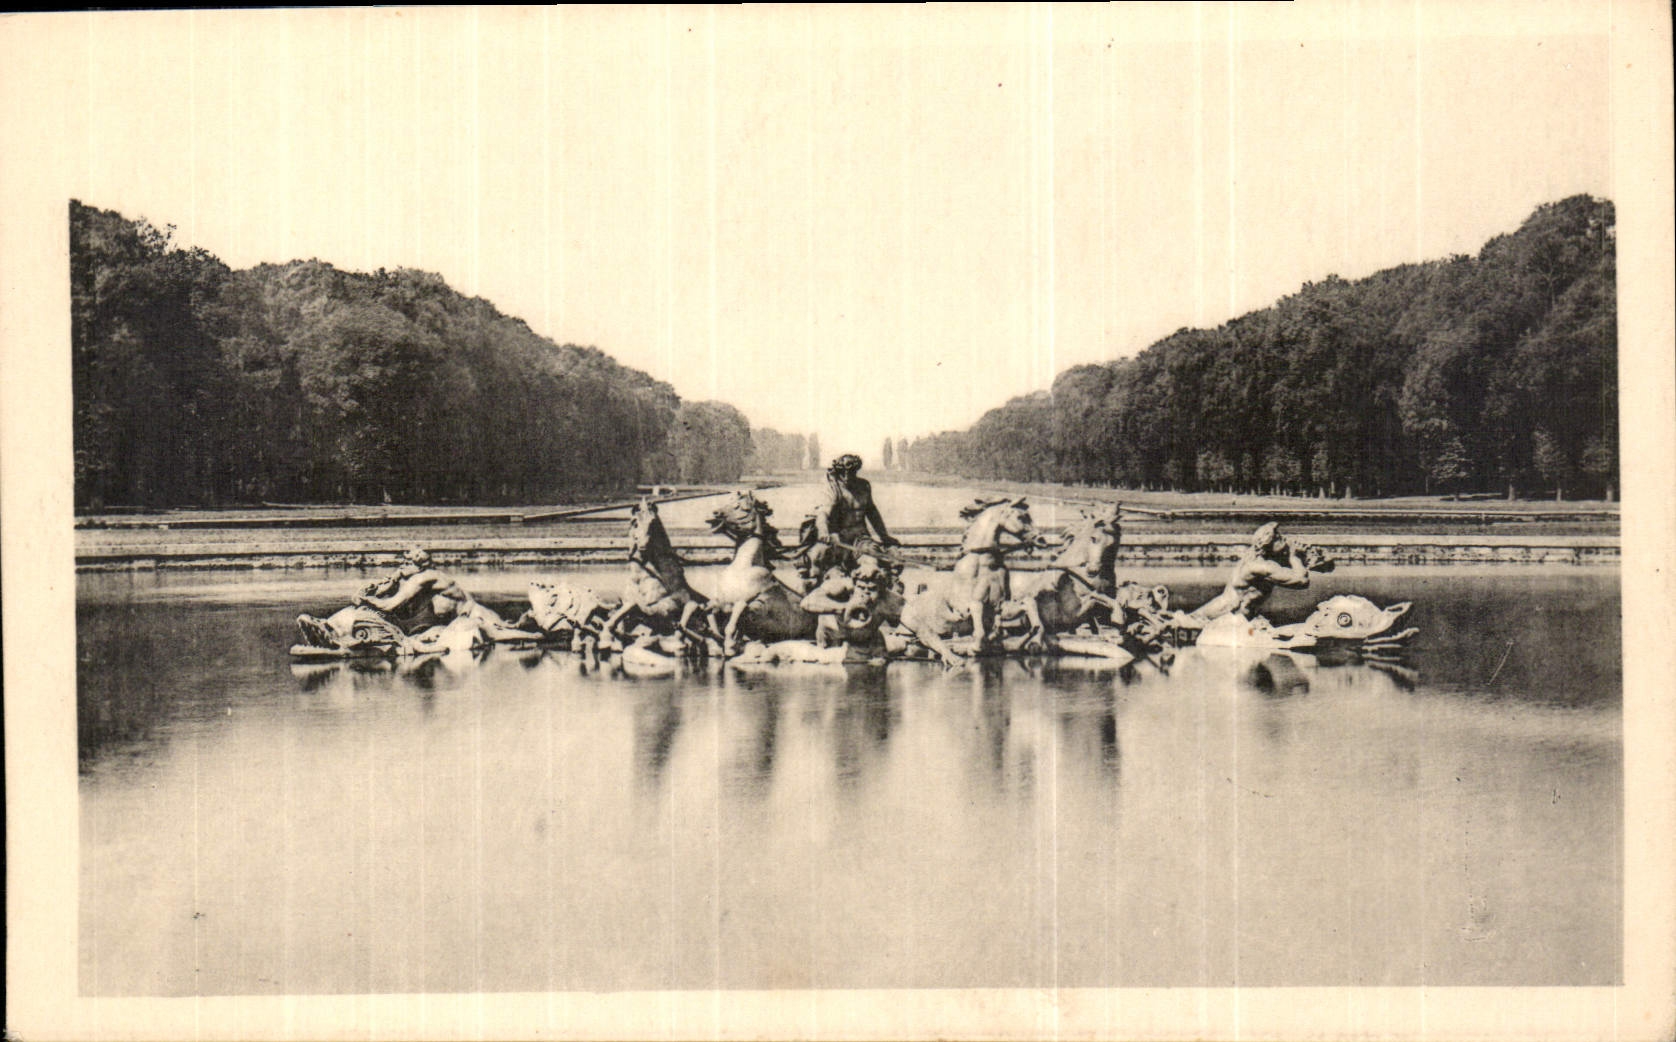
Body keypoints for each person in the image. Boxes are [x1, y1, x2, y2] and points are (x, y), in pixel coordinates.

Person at [1183, 521, 1312, 625]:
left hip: (1229, 615)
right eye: (1277, 537)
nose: (1284, 538)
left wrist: (1308, 556)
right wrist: (1294, 556)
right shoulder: (1260, 567)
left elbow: (1311, 568)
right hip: (1219, 616)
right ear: (1267, 543)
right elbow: (1301, 581)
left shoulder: (1256, 558)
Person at [805, 454, 900, 579]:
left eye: (851, 473)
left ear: (856, 471)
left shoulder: (864, 486)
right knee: (820, 559)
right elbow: (823, 513)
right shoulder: (833, 488)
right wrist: (823, 532)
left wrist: (884, 536)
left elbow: (872, 513)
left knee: (872, 561)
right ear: (838, 472)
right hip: (839, 539)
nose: (847, 477)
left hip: (861, 538)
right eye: (843, 473)